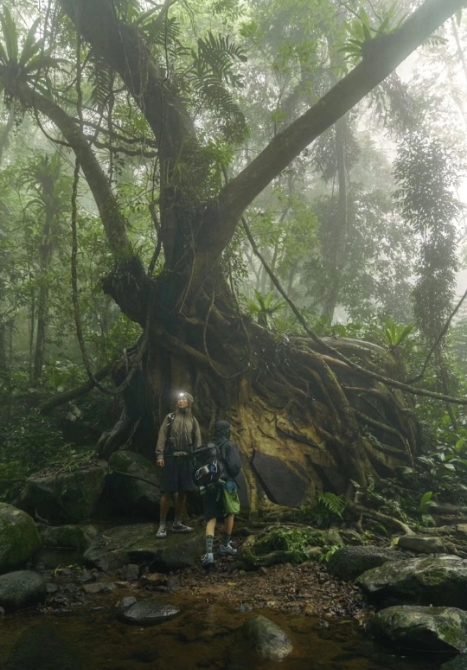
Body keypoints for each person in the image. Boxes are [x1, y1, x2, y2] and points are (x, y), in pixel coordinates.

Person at [155, 391, 202, 538]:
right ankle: (162, 525)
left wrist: (197, 458)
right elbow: (162, 436)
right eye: (179, 399)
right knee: (167, 492)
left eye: (184, 399)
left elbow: (197, 440)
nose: (180, 401)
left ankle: (177, 522)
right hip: (171, 457)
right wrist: (160, 455)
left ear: (189, 402)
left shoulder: (193, 421)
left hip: (186, 459)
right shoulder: (170, 417)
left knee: (183, 492)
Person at [201, 420, 241, 567]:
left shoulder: (207, 446)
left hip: (210, 485)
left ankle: (209, 553)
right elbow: (235, 467)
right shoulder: (229, 445)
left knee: (211, 518)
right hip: (226, 484)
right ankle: (225, 545)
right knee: (230, 513)